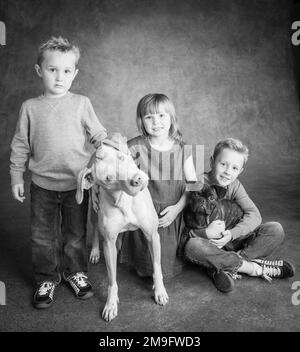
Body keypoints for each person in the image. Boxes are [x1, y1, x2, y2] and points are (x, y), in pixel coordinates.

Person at [10, 36, 107, 308]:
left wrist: (107, 145)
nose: (59, 77)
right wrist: (16, 175)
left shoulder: (81, 103)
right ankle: (46, 278)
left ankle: (75, 272)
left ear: (74, 74)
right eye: (52, 69)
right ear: (40, 71)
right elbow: (20, 144)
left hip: (77, 184)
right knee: (42, 236)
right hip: (42, 185)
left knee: (75, 234)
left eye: (66, 71)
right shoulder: (30, 107)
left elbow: (97, 133)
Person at [181, 138, 295, 293]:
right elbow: (184, 224)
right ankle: (251, 267)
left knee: (275, 229)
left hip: (234, 240)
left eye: (235, 168)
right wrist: (206, 233)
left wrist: (232, 234)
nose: (228, 171)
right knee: (192, 246)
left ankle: (223, 265)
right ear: (212, 161)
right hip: (209, 243)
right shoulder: (198, 184)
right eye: (223, 164)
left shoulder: (234, 185)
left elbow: (254, 215)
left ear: (240, 171)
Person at [119, 93, 197, 279]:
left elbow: (193, 185)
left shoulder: (183, 149)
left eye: (162, 115)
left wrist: (177, 209)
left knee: (166, 265)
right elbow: (120, 174)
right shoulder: (133, 147)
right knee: (144, 262)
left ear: (171, 118)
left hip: (170, 212)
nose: (156, 122)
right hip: (144, 210)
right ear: (141, 121)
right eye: (149, 117)